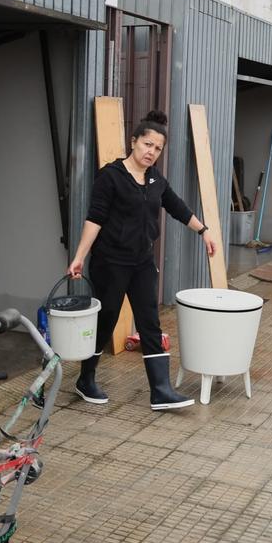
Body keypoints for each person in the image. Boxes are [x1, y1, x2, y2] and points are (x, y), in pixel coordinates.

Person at [66, 110, 218, 411]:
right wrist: (79, 257)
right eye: (147, 144)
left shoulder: (155, 179)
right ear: (133, 142)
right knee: (106, 320)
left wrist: (203, 231)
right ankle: (85, 380)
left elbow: (176, 206)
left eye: (158, 148)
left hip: (142, 262)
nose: (151, 152)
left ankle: (160, 390)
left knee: (150, 321)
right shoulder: (111, 176)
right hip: (111, 262)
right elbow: (94, 219)